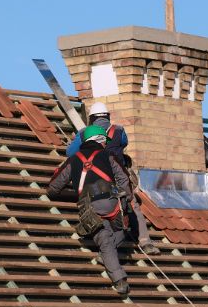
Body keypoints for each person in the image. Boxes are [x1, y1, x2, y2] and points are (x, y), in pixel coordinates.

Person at [47, 125, 160, 295]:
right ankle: (110, 261)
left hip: (89, 205)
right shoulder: (109, 155)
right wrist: (126, 198)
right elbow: (123, 179)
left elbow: (53, 188)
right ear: (100, 140)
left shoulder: (73, 160)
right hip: (113, 201)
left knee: (105, 240)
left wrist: (75, 194)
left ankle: (119, 280)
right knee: (121, 230)